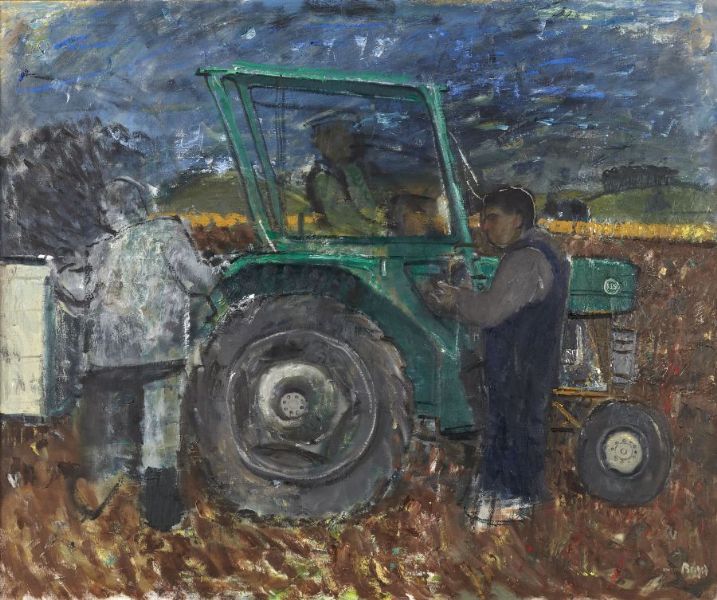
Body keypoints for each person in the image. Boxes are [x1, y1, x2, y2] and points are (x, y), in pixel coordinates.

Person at [52, 177, 218, 530]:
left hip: (109, 361)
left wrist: (57, 275)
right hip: (162, 356)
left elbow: (81, 297)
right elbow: (203, 282)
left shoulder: (101, 250)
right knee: (160, 434)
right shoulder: (169, 235)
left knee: (112, 436)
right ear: (141, 207)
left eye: (105, 211)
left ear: (113, 213)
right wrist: (217, 268)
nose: (103, 217)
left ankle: (107, 516)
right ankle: (160, 515)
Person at [428, 186, 570, 527]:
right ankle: (516, 507)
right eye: (482, 219)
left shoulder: (525, 259)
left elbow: (491, 312)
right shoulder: (544, 252)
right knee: (520, 431)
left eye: (493, 218)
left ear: (518, 220)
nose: (485, 227)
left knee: (511, 433)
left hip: (517, 367)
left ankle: (510, 510)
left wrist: (455, 299)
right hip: (528, 365)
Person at [305, 114, 385, 235]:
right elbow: (344, 223)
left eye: (349, 134)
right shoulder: (322, 177)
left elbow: (372, 206)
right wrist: (381, 230)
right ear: (326, 140)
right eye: (343, 135)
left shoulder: (354, 170)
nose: (350, 140)